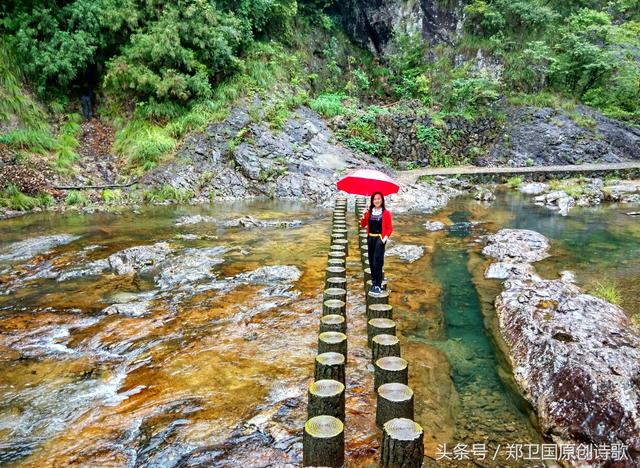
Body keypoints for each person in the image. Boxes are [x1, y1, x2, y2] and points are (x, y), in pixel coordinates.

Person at [359, 191, 393, 294]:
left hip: (379, 239)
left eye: (378, 198)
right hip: (370, 238)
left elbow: (389, 228)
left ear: (382, 200)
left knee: (377, 262)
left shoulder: (386, 213)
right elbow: (363, 225)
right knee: (370, 261)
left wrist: (384, 239)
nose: (376, 200)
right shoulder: (369, 212)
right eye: (374, 199)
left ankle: (378, 285)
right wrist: (363, 215)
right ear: (372, 201)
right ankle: (374, 282)